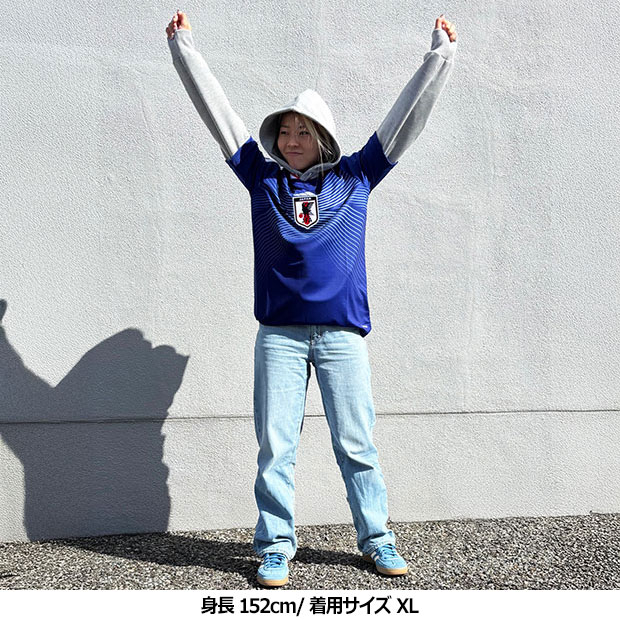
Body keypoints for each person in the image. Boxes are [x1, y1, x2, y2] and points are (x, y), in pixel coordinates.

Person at [166, 10, 457, 587]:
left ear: (322, 136)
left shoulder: (357, 176)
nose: (291, 141)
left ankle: (377, 539)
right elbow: (219, 117)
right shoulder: (262, 178)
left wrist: (440, 56)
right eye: (285, 132)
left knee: (357, 444)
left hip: (341, 335)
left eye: (303, 132)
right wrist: (185, 50)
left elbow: (405, 120)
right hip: (279, 335)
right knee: (276, 447)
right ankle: (276, 546)